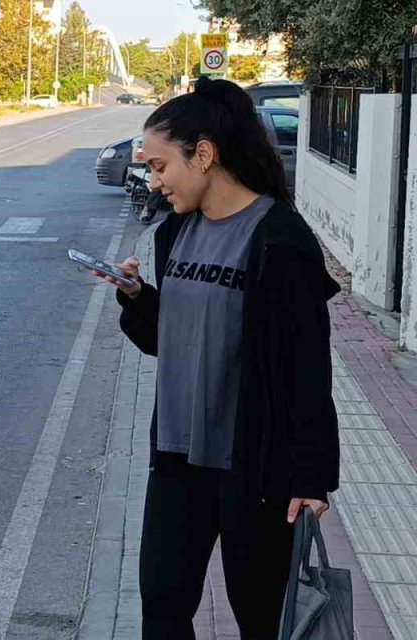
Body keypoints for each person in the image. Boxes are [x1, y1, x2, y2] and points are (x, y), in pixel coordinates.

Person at [92, 76, 341, 639]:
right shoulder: (174, 233)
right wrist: (136, 297)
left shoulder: (280, 237)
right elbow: (168, 337)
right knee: (161, 607)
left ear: (203, 155)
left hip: (252, 466)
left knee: (258, 616)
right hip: (178, 457)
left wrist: (311, 475)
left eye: (160, 166)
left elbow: (306, 368)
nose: (154, 182)